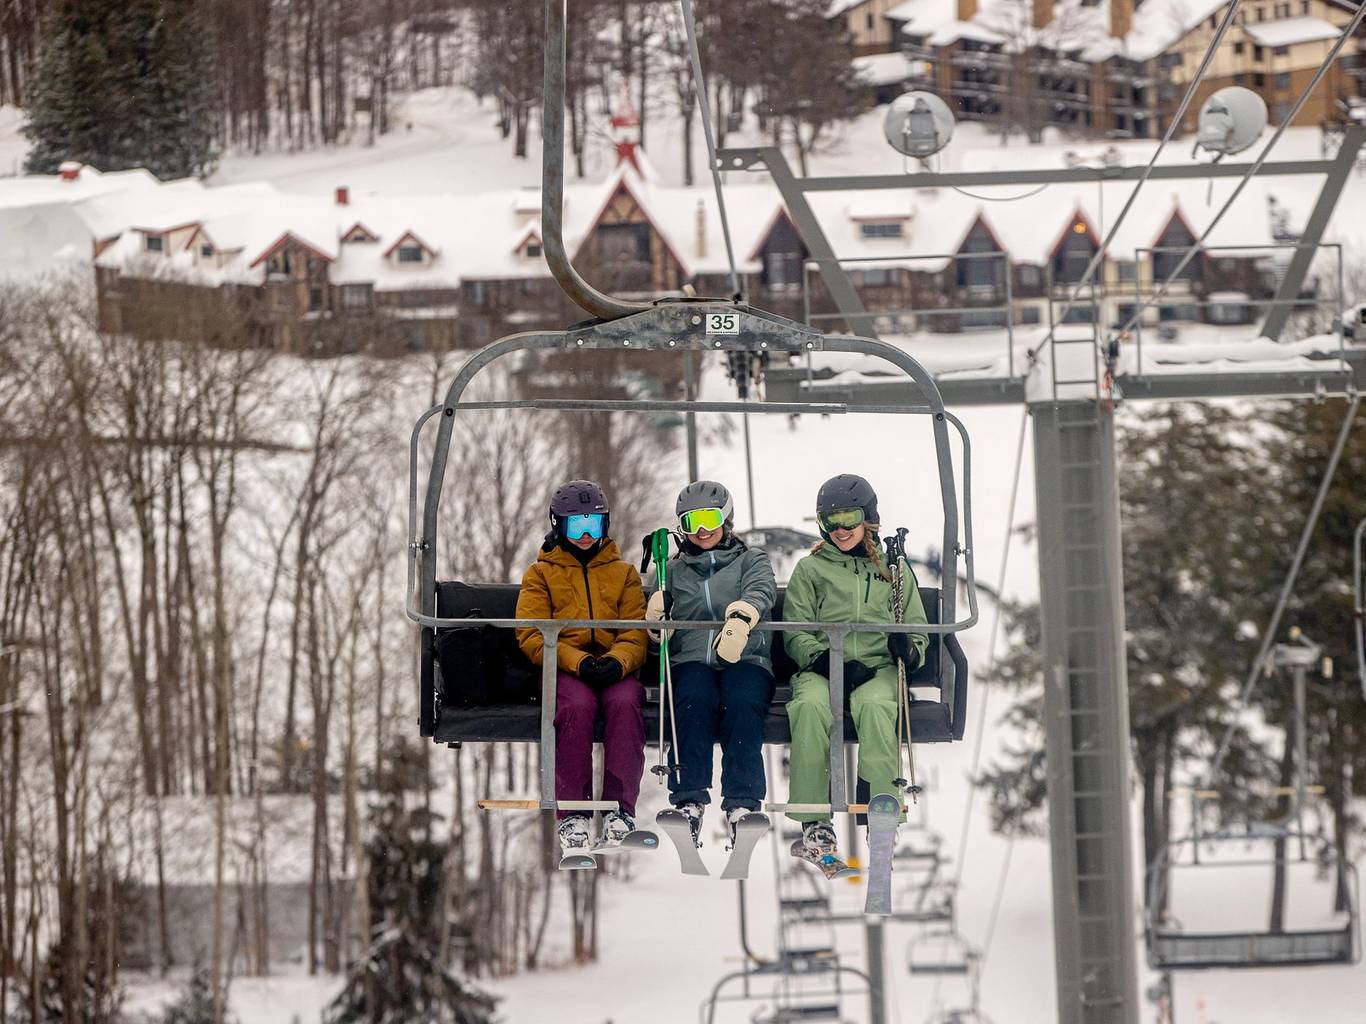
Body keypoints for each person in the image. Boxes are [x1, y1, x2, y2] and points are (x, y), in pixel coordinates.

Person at [783, 474, 928, 864]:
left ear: (869, 518)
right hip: (823, 668)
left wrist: (908, 650)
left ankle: (881, 814)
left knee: (877, 706)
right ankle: (814, 822)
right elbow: (795, 632)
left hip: (879, 668)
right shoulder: (811, 570)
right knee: (811, 706)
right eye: (831, 521)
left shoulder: (894, 571)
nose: (841, 529)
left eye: (849, 518)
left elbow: (917, 628)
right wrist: (828, 663)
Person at [515, 480, 648, 857]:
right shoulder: (541, 574)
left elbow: (636, 631)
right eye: (577, 526)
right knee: (576, 708)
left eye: (595, 524)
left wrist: (618, 661)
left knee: (624, 705)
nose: (587, 535)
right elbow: (532, 635)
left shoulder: (622, 573)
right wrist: (578, 661)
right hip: (567, 668)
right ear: (558, 526)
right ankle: (573, 814)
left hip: (614, 668)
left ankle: (620, 811)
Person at [645, 481, 777, 848]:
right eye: (691, 522)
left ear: (727, 519)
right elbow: (658, 649)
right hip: (691, 661)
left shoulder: (751, 560)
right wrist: (658, 631)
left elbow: (761, 589)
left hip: (745, 657)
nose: (702, 530)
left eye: (709, 518)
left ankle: (741, 804)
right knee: (691, 698)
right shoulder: (671, 571)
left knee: (742, 701)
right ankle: (689, 798)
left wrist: (741, 617)